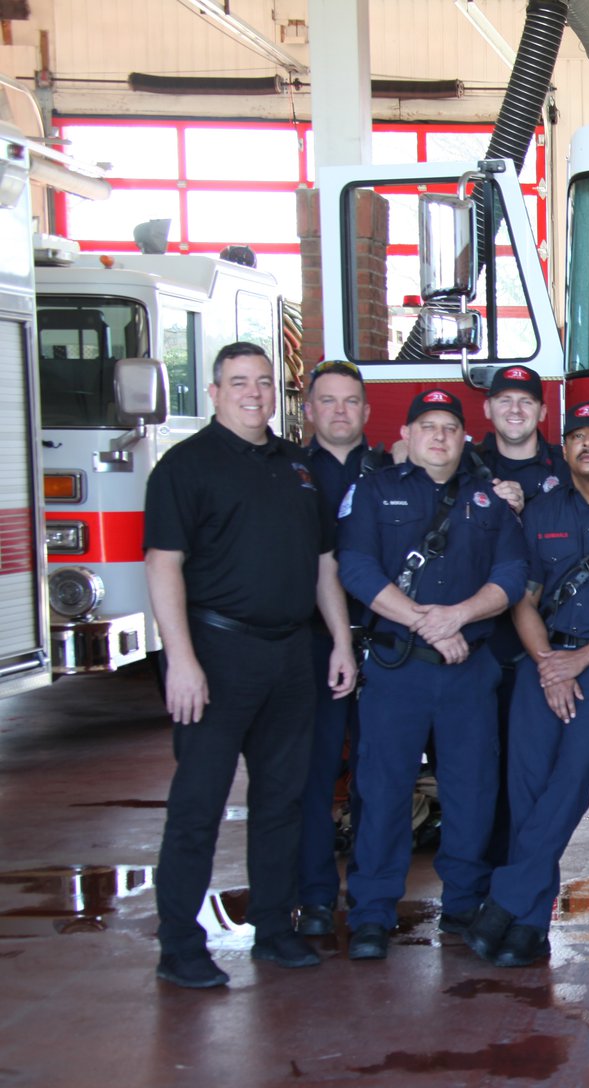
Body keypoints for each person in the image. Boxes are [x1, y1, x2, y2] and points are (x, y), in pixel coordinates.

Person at [143, 342, 356, 988]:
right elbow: (162, 565)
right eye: (239, 383)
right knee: (198, 805)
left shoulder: (296, 467)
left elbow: (324, 564)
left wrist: (341, 642)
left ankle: (274, 927)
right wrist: (180, 660)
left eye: (264, 383)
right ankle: (179, 944)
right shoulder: (184, 467)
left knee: (282, 801)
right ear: (214, 392)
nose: (254, 394)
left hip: (292, 653)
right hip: (215, 653)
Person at [337, 388, 528, 961]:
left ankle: (464, 903)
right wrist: (427, 623)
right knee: (384, 792)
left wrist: (459, 617)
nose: (440, 436)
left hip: (468, 672)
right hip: (397, 669)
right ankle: (371, 913)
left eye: (450, 427)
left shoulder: (489, 501)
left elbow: (513, 575)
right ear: (408, 435)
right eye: (428, 427)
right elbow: (356, 567)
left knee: (472, 795)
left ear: (465, 437)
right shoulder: (373, 492)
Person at [466, 400, 589, 968]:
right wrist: (547, 662)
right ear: (562, 450)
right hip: (542, 661)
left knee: (571, 780)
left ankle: (506, 900)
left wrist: (580, 660)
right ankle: (530, 925)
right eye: (578, 437)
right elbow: (524, 598)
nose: (588, 445)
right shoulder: (539, 512)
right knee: (527, 789)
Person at [291, 359, 383, 937]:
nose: (341, 411)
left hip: (387, 643)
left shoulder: (397, 468)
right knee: (316, 774)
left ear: (367, 411)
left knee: (380, 778)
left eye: (351, 401)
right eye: (328, 401)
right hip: (314, 644)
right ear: (308, 410)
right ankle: (318, 895)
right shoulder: (287, 471)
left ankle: (371, 898)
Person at [472, 365, 555, 870]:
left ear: (543, 411)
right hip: (474, 645)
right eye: (504, 399)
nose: (515, 409)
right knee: (473, 772)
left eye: (526, 401)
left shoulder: (564, 469)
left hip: (538, 650)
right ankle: (473, 890)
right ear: (487, 408)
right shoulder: (461, 465)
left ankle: (517, 883)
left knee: (529, 774)